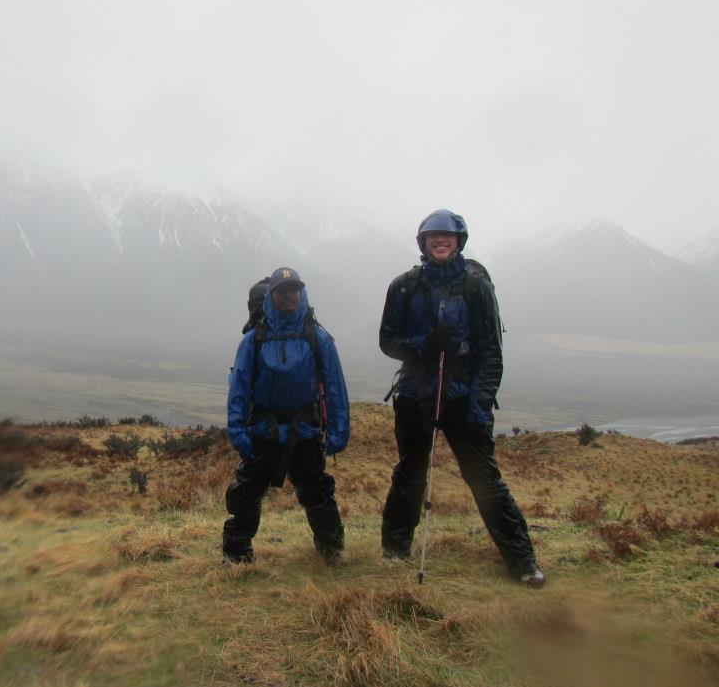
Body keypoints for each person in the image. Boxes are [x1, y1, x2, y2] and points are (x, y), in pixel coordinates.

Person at [378, 210, 545, 587]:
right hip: (415, 395)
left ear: (459, 242)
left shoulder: (476, 288)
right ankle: (395, 550)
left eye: (447, 236)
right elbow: (388, 341)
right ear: (422, 243)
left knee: (484, 478)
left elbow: (491, 352)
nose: (440, 241)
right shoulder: (403, 287)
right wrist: (425, 344)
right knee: (410, 473)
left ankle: (522, 560)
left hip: (462, 396)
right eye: (433, 236)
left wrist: (479, 407)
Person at [223, 267, 349, 565]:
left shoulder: (318, 338)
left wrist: (339, 430)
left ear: (300, 293)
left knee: (317, 490)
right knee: (247, 494)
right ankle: (236, 556)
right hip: (263, 431)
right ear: (272, 296)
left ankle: (331, 552)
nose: (288, 296)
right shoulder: (254, 340)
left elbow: (334, 385)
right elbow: (239, 386)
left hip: (304, 429)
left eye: (293, 290)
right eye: (282, 291)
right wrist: (238, 430)